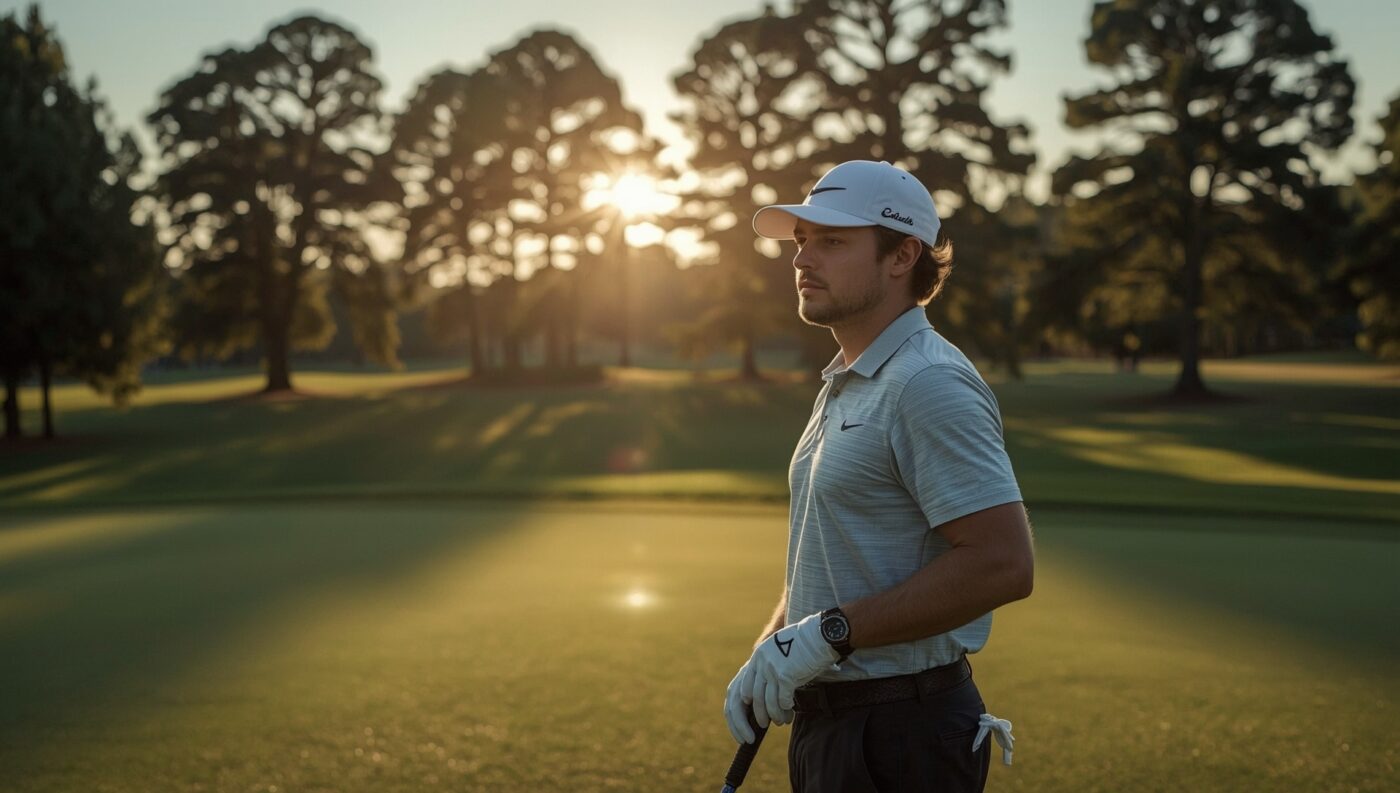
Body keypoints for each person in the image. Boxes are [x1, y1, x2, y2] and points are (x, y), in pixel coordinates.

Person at [723, 160, 1034, 793]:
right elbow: (832, 550)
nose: (803, 259)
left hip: (902, 734)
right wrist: (774, 647)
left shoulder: (927, 383)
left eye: (833, 241)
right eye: (802, 241)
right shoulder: (850, 378)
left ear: (902, 256)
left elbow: (1004, 563)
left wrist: (829, 635)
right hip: (836, 727)